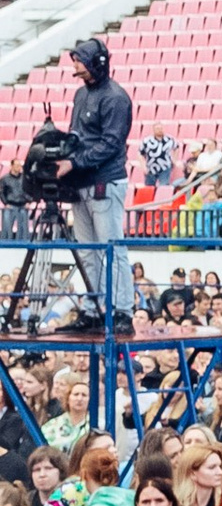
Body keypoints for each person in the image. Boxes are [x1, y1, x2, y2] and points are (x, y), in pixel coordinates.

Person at [57, 35, 134, 325]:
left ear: (96, 64)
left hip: (105, 181)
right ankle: (93, 308)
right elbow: (77, 134)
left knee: (111, 248)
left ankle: (122, 310)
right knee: (86, 251)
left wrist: (74, 162)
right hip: (81, 183)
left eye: (80, 62)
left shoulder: (115, 97)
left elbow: (111, 144)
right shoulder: (81, 95)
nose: (76, 67)